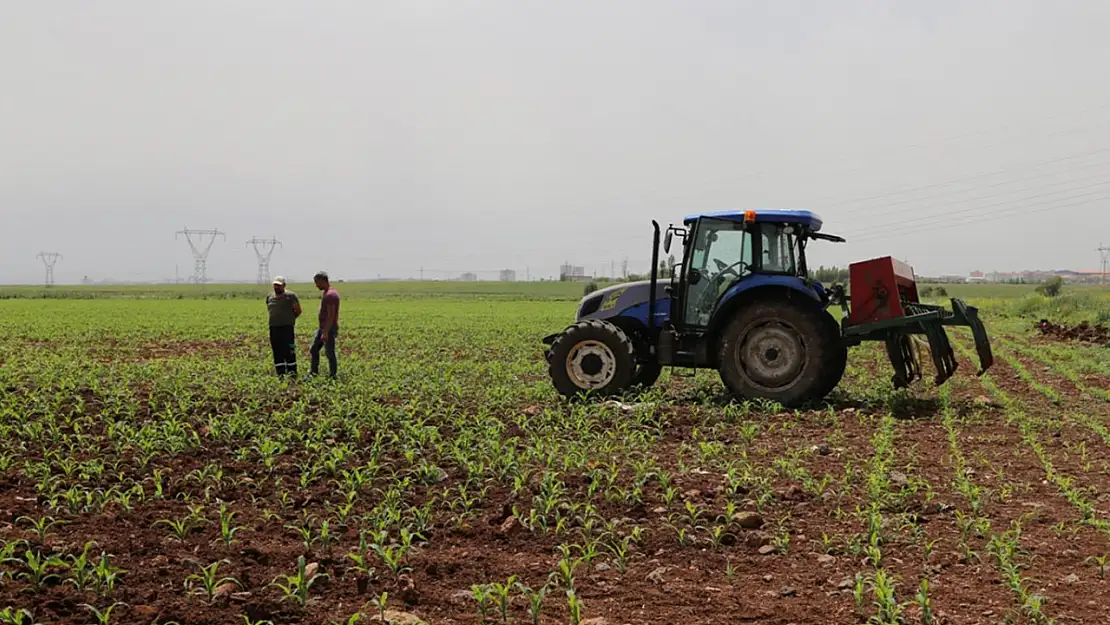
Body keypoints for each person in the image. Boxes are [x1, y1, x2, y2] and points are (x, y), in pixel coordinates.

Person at [266, 276, 302, 377]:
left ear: (284, 286)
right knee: (277, 350)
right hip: (273, 328)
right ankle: (280, 372)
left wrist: (290, 319)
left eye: (279, 285)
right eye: (275, 285)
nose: (276, 287)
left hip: (287, 328)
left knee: (290, 349)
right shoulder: (269, 296)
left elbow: (298, 311)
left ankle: (292, 372)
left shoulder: (291, 296)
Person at [310, 270, 340, 379]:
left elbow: (331, 316)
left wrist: (326, 332)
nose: (316, 285)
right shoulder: (327, 293)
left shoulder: (331, 295)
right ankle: (313, 373)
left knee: (329, 353)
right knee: (314, 349)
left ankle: (333, 376)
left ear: (323, 281)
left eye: (317, 282)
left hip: (328, 328)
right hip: (323, 328)